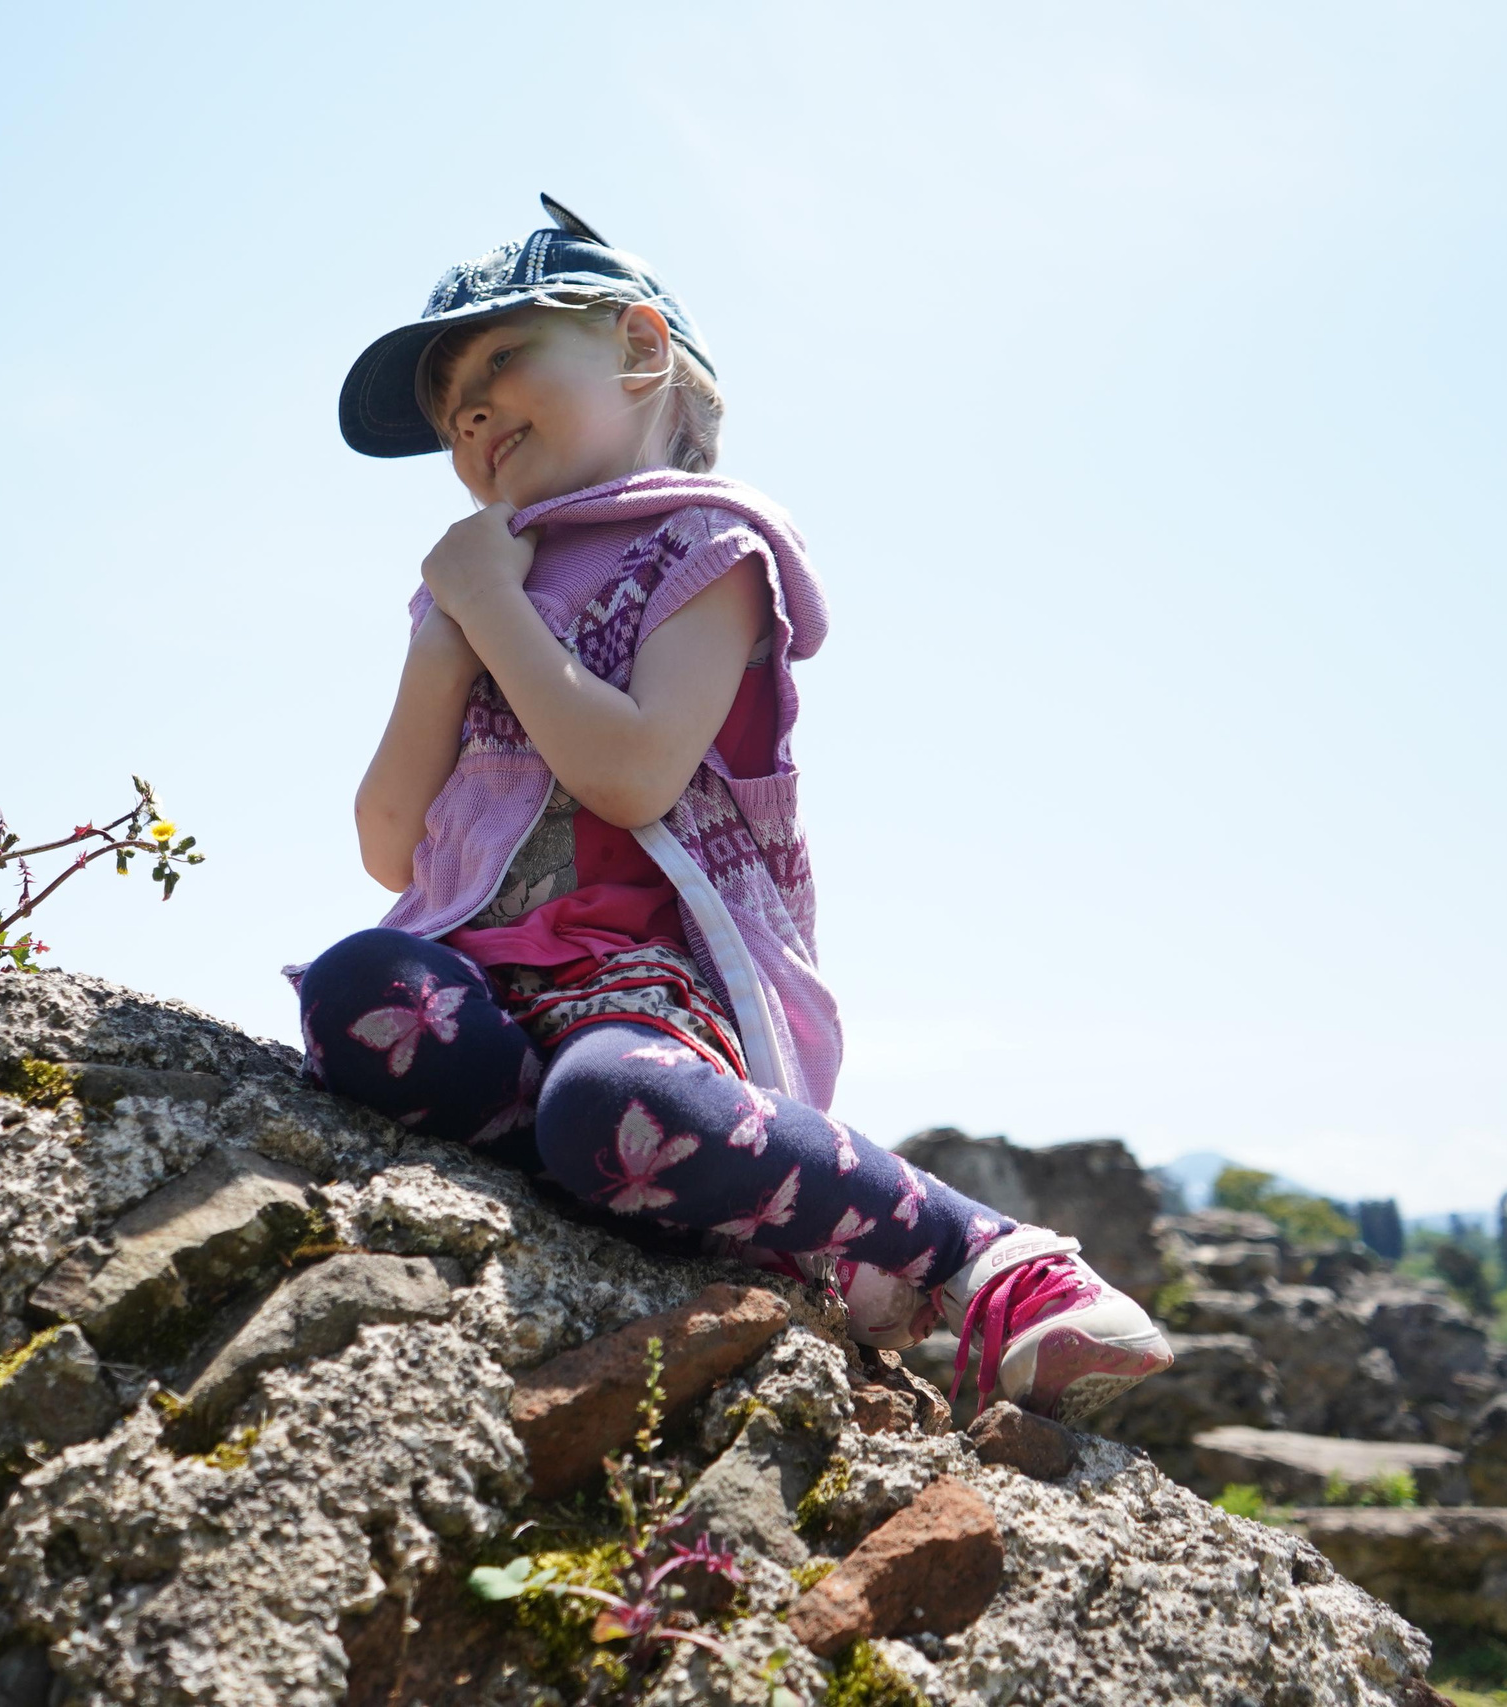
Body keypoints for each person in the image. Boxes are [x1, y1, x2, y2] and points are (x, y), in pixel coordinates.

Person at [294, 196, 1170, 1423]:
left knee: (617, 1099)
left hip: (648, 991)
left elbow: (634, 773)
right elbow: (391, 843)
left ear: (643, 348)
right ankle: (588, 1161)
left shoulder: (708, 548)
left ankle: (979, 1259)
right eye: (451, 411)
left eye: (501, 358)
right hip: (486, 982)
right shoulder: (472, 591)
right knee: (354, 988)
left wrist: (488, 612)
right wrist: (446, 639)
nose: (474, 409)